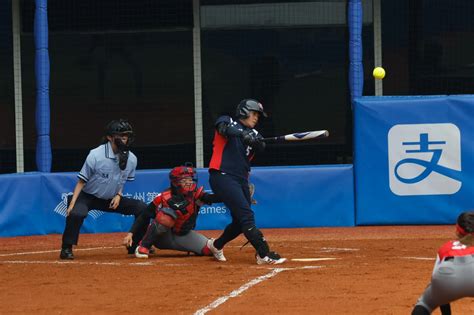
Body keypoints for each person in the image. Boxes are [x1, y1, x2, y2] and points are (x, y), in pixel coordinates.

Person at [207, 98, 286, 265]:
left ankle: (216, 245)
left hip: (241, 180)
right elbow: (224, 128)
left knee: (239, 222)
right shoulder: (226, 120)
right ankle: (263, 254)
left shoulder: (256, 134)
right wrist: (242, 134)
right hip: (222, 175)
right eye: (254, 113)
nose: (256, 117)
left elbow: (260, 147)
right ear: (244, 111)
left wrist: (254, 141)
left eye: (258, 115)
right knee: (247, 215)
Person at [59, 119, 147, 260]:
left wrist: (118, 195)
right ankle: (66, 248)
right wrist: (72, 202)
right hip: (89, 196)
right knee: (76, 213)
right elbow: (82, 181)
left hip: (111, 198)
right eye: (121, 136)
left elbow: (122, 180)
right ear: (109, 137)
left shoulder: (132, 159)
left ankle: (135, 245)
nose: (124, 139)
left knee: (142, 208)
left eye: (126, 136)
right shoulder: (95, 155)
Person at [123, 163, 222, 258]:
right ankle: (144, 245)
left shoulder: (196, 195)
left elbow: (211, 198)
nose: (189, 182)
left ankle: (192, 247)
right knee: (166, 215)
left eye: (190, 179)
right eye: (184, 180)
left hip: (183, 234)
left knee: (209, 250)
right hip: (162, 236)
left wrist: (228, 194)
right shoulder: (163, 197)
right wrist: (131, 233)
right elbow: (144, 216)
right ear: (175, 182)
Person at [412, 211, 474, 315]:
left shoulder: (446, 246)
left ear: (457, 231)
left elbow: (436, 280)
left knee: (424, 304)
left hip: (447, 275)